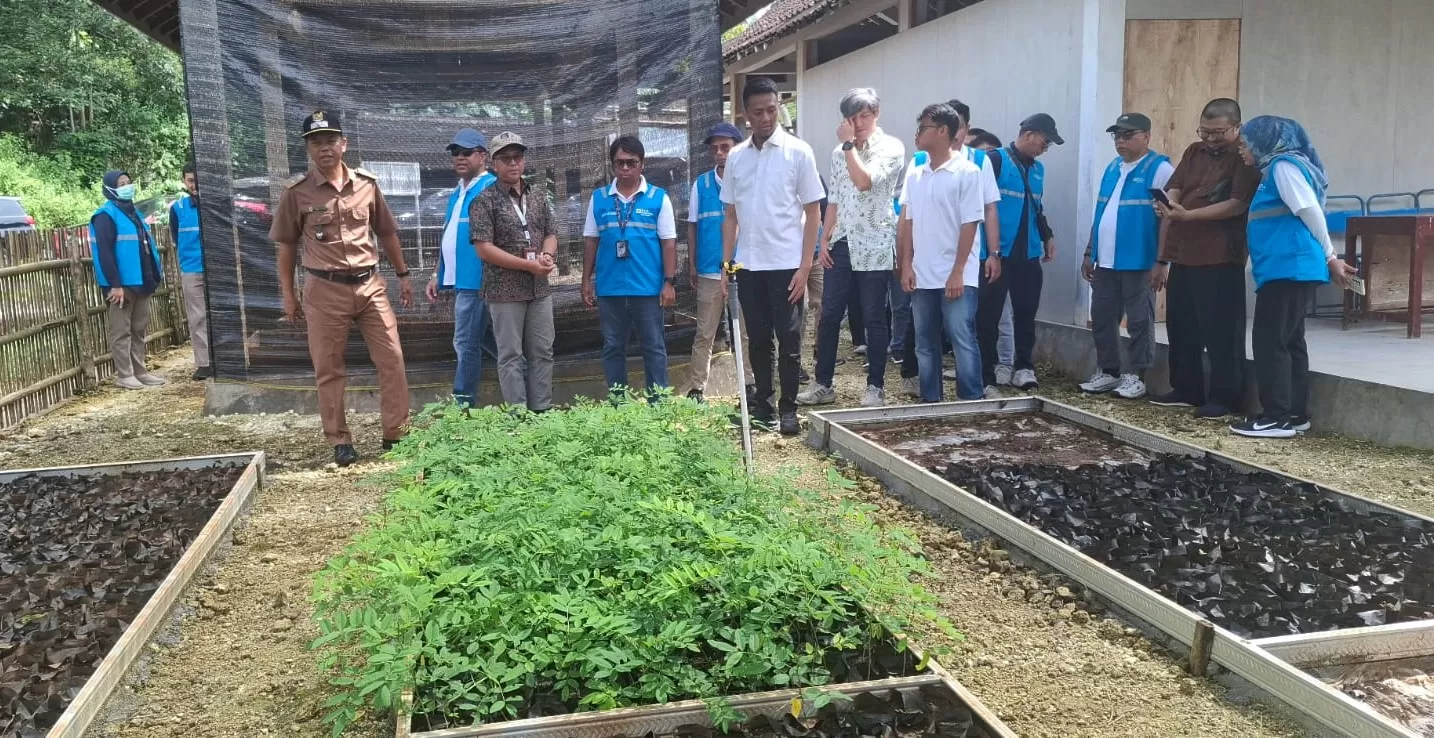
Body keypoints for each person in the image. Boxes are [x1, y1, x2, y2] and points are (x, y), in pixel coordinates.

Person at [271, 111, 414, 466]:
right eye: (316, 142)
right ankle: (339, 440)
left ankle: (396, 433)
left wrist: (403, 274)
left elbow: (387, 232)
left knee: (392, 359)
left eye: (331, 141)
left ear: (343, 144)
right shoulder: (297, 193)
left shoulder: (367, 184)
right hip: (324, 289)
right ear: (308, 148)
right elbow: (286, 245)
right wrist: (288, 294)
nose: (325, 148)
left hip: (370, 286)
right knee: (329, 367)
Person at [1230, 116, 1353, 438]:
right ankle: (1296, 414)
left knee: (1270, 341)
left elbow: (1309, 211)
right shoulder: (1277, 170)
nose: (1241, 150)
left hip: (1289, 267)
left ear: (1263, 142)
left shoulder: (1283, 168)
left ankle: (1276, 416)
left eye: (1244, 143)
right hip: (1288, 268)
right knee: (1290, 341)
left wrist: (1331, 256)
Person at [721, 76, 823, 436]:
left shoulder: (799, 152)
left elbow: (813, 212)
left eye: (771, 110)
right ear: (745, 115)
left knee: (790, 339)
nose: (765, 118)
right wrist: (726, 266)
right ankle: (763, 405)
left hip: (787, 267)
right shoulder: (736, 157)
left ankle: (789, 409)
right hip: (749, 265)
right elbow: (730, 215)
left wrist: (805, 265)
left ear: (779, 107)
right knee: (759, 341)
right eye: (757, 112)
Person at [1150, 98, 1261, 419]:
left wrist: (1190, 215)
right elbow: (1176, 185)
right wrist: (1170, 206)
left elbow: (1237, 204)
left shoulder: (1244, 156)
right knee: (1181, 324)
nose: (1210, 138)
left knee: (1221, 330)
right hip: (1183, 251)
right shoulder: (1193, 151)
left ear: (1237, 128)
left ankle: (1225, 397)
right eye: (1204, 131)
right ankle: (1186, 388)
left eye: (1218, 132)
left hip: (1219, 255)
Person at [798, 88, 904, 408]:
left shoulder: (890, 147)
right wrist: (824, 238)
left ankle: (875, 386)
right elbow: (835, 199)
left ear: (876, 115)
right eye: (852, 117)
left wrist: (848, 147)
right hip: (842, 241)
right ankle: (823, 384)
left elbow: (864, 181)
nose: (858, 124)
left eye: (864, 116)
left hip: (875, 239)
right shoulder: (837, 153)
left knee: (873, 315)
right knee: (829, 314)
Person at [1078, 113, 1173, 400]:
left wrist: (1161, 261)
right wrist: (1089, 251)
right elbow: (1102, 213)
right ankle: (1108, 372)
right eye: (1117, 135)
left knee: (1139, 320)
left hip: (1139, 260)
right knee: (1103, 317)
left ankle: (1136, 376)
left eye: (1128, 134)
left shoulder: (1160, 168)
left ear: (1146, 136)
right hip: (1105, 260)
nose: (1121, 140)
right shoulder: (1112, 168)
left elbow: (1169, 219)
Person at [897, 103, 986, 403]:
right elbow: (908, 223)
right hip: (923, 273)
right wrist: (906, 265)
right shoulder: (916, 175)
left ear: (943, 131)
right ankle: (930, 400)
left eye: (923, 127)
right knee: (924, 341)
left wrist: (958, 270)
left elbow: (970, 224)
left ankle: (970, 400)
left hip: (956, 273)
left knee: (961, 338)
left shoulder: (968, 172)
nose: (917, 133)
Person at [583, 134, 679, 397]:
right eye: (619, 163)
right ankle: (618, 404)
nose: (625, 168)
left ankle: (658, 404)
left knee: (654, 346)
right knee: (613, 347)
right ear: (612, 165)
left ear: (642, 164)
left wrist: (669, 282)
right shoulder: (599, 198)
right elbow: (591, 241)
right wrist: (586, 281)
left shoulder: (659, 198)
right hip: (610, 289)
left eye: (631, 163)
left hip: (648, 289)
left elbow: (669, 244)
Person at [471, 132, 560, 413]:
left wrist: (546, 255)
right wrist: (527, 265)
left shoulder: (538, 196)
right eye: (506, 159)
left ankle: (542, 410)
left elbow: (551, 233)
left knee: (542, 351)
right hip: (504, 291)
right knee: (510, 355)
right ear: (493, 164)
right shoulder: (484, 201)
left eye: (518, 157)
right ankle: (518, 415)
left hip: (539, 289)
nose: (513, 164)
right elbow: (484, 249)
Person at [976, 113, 1061, 392]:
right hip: (998, 254)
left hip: (1029, 253)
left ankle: (1023, 366)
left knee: (1026, 314)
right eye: (1045, 142)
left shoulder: (1038, 170)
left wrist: (1047, 235)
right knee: (988, 316)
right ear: (1029, 134)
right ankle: (985, 373)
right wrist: (991, 251)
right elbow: (980, 207)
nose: (1045, 148)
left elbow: (1037, 206)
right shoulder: (995, 160)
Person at [425, 128, 496, 407]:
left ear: (483, 156)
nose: (460, 158)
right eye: (456, 153)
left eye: (467, 152)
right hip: (460, 279)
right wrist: (436, 274)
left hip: (479, 279)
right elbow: (450, 236)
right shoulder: (458, 192)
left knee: (465, 342)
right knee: (484, 339)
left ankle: (462, 406)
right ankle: (523, 374)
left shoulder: (491, 187)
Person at [91, 170, 166, 391]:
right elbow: (104, 253)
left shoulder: (134, 214)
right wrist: (115, 284)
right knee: (121, 331)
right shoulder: (105, 215)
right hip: (121, 285)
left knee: (138, 329)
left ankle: (140, 371)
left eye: (128, 182)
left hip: (142, 280)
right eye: (121, 183)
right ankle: (125, 374)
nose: (126, 186)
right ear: (110, 189)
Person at [686, 122, 744, 402]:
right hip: (709, 270)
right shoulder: (701, 184)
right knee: (704, 333)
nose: (720, 153)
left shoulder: (747, 180)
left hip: (744, 269)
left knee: (745, 333)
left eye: (726, 147)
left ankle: (750, 385)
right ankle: (697, 388)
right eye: (715, 149)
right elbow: (693, 225)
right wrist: (693, 264)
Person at [966, 128, 1016, 385]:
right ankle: (973, 367)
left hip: (995, 259)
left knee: (1000, 317)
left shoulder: (997, 192)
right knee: (972, 318)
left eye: (990, 155)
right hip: (971, 260)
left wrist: (994, 254)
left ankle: (1003, 365)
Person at [169, 161, 211, 380]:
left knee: (220, 314)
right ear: (184, 181)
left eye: (198, 180)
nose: (195, 185)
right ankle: (204, 363)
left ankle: (224, 357)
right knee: (198, 317)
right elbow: (176, 238)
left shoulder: (215, 205)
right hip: (192, 270)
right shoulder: (177, 209)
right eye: (191, 180)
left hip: (216, 270)